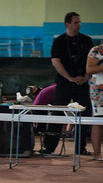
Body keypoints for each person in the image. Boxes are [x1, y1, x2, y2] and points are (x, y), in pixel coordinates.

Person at [43, 12, 93, 155]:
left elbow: (92, 61)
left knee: (84, 114)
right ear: (68, 24)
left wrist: (85, 77)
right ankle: (49, 147)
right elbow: (55, 62)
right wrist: (69, 78)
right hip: (64, 82)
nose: (79, 24)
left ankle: (80, 148)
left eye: (79, 22)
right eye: (76, 22)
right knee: (57, 113)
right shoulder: (59, 41)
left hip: (82, 82)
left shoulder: (87, 40)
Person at [86, 35, 103, 161]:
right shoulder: (96, 51)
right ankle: (97, 153)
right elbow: (90, 69)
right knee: (98, 121)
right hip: (99, 90)